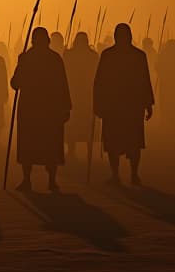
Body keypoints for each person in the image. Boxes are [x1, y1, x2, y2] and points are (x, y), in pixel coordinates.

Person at [11, 27, 71, 192]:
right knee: (48, 143)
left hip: (34, 108)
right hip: (48, 109)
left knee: (31, 144)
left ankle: (28, 180)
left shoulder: (27, 58)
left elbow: (15, 83)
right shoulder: (53, 59)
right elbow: (16, 83)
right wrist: (66, 107)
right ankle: (49, 181)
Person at [94, 24, 154, 185]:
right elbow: (99, 82)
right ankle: (116, 174)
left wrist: (148, 103)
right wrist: (98, 104)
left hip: (131, 107)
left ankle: (133, 174)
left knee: (133, 143)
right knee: (114, 142)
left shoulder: (138, 56)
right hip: (115, 107)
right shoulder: (109, 56)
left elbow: (144, 80)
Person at [64, 32, 98, 164]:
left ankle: (73, 151)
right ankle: (82, 151)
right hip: (83, 94)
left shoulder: (70, 55)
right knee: (81, 123)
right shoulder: (92, 56)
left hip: (78, 93)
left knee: (77, 123)